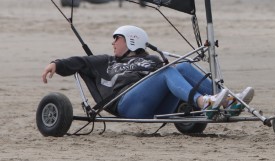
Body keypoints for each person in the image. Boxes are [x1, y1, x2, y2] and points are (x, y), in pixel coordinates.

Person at [41, 25, 253, 118]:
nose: (113, 42)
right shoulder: (105, 61)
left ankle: (230, 101)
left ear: (132, 40)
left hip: (157, 105)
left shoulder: (151, 59)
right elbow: (79, 61)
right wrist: (56, 64)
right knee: (166, 71)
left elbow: (175, 82)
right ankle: (203, 103)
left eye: (118, 38)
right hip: (126, 105)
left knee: (183, 66)